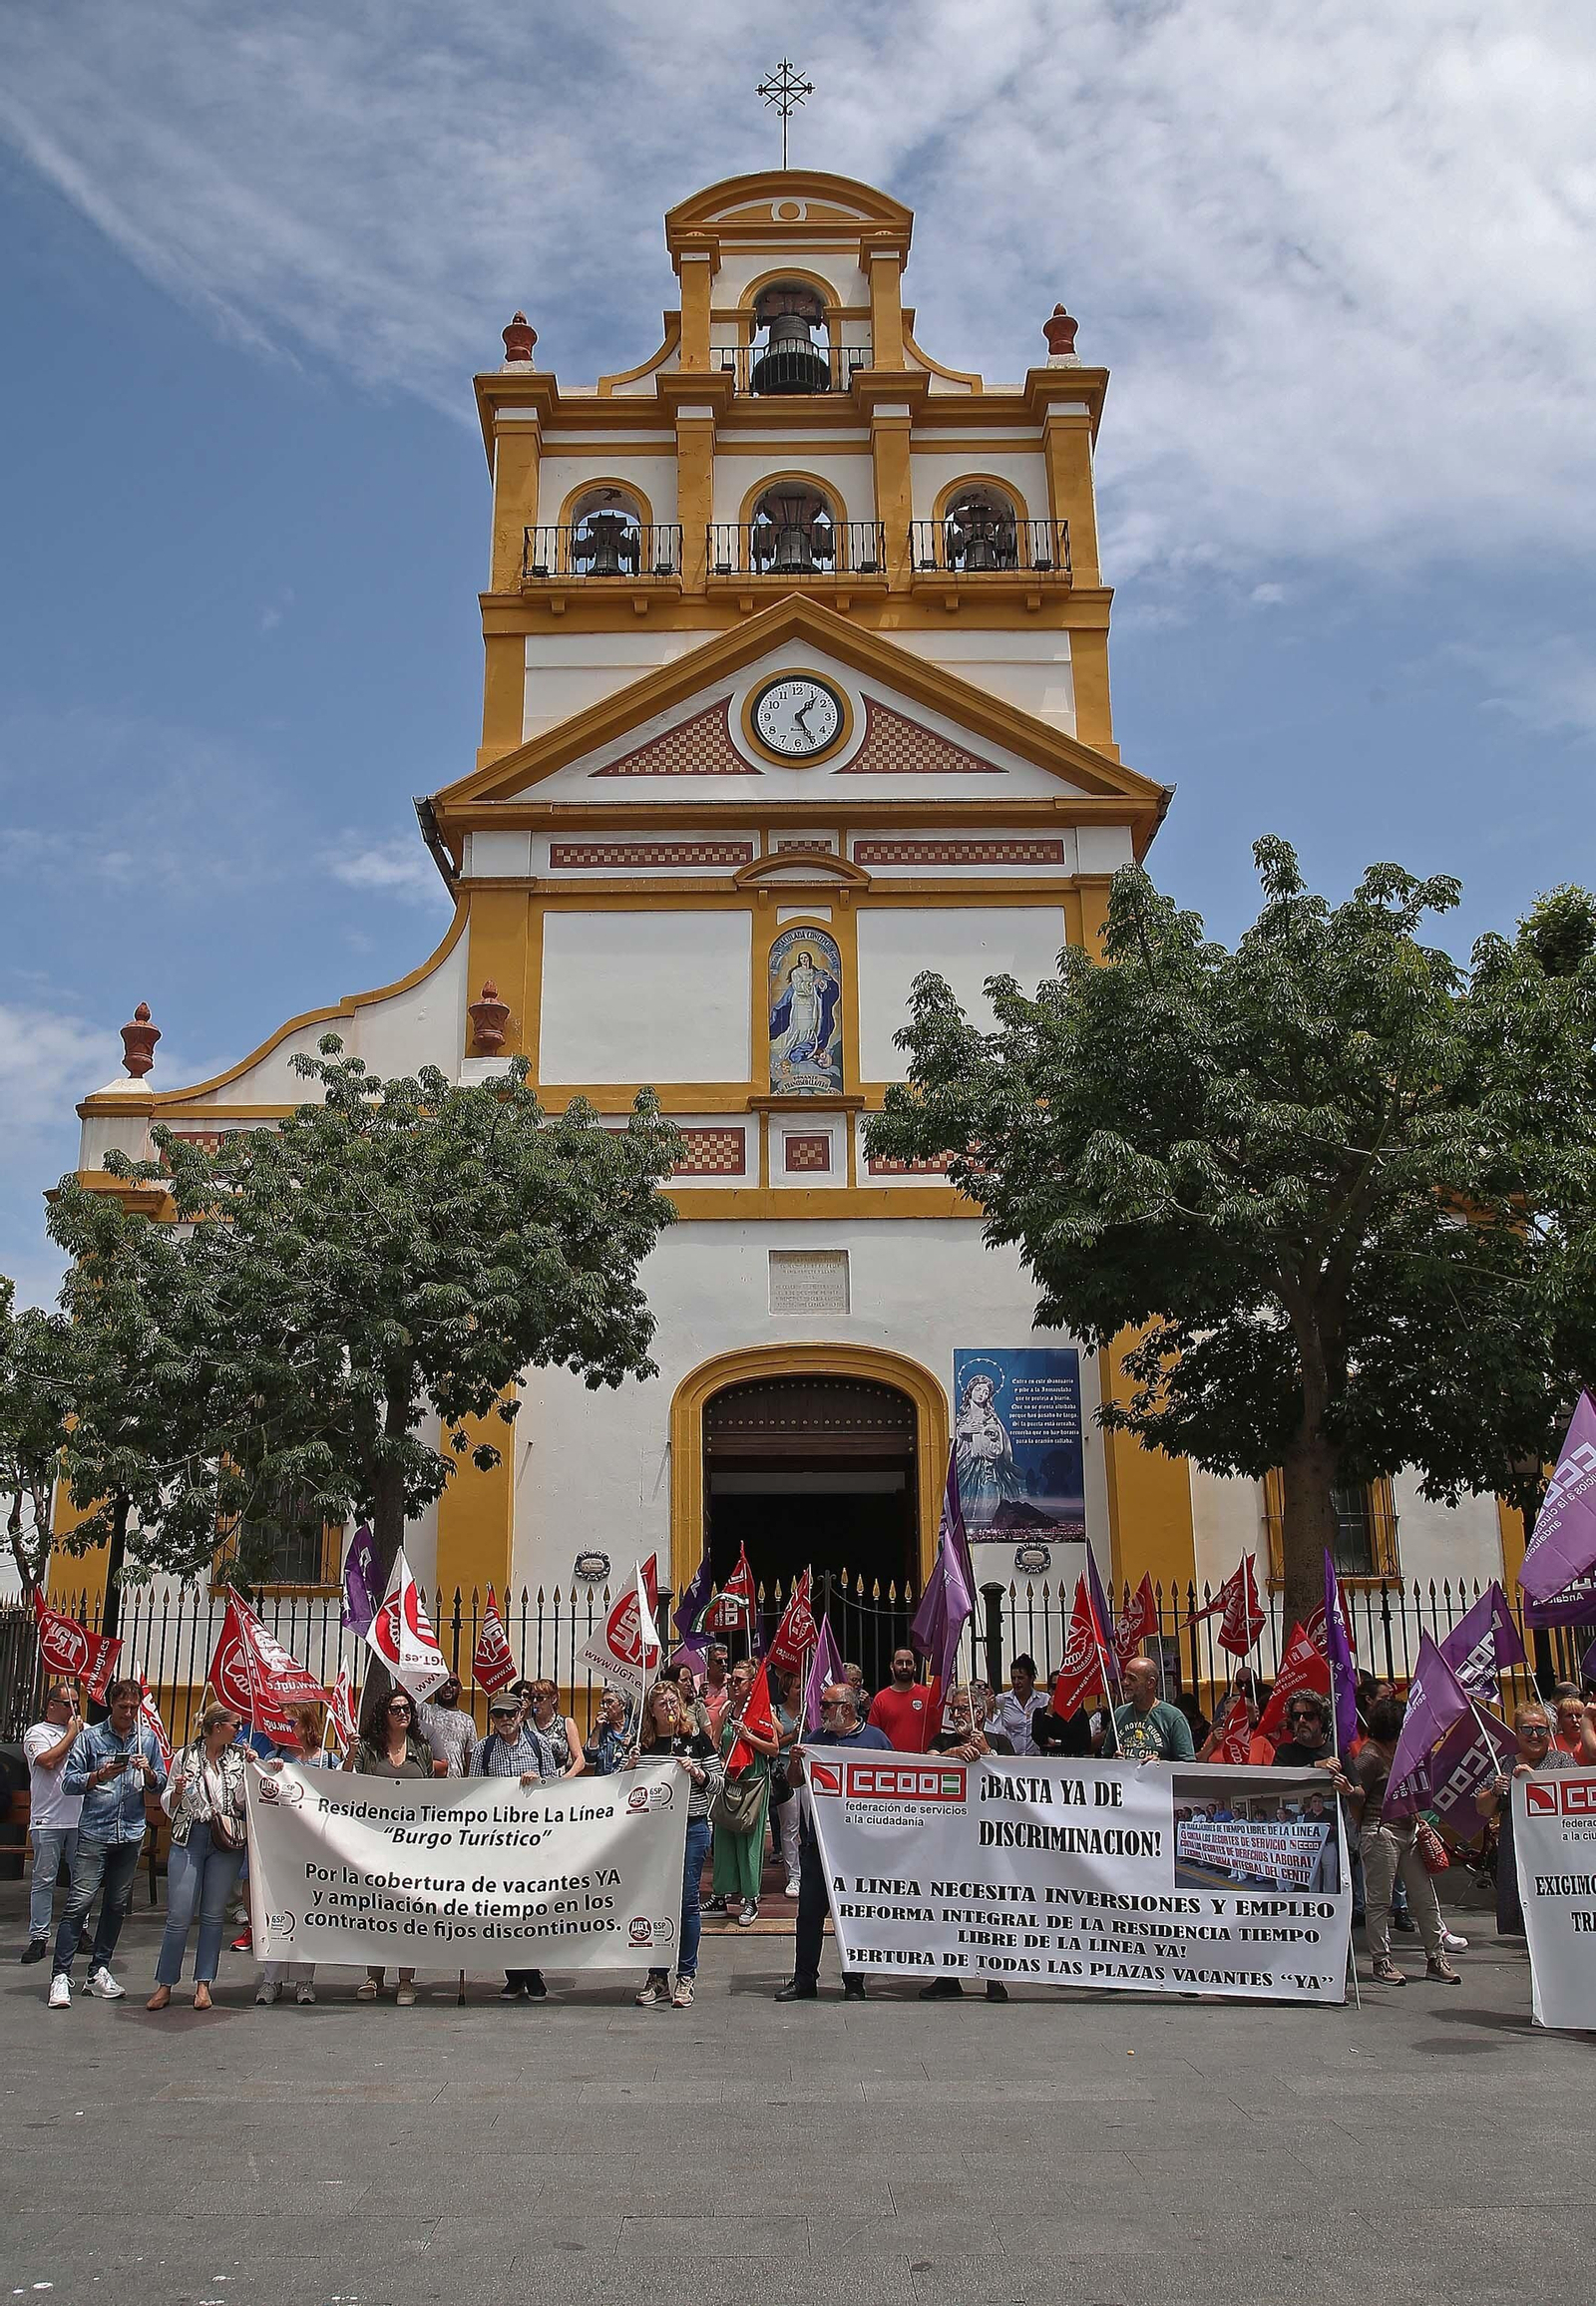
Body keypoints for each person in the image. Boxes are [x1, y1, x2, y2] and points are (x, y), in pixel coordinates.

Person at [48, 1677, 168, 2008]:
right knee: (79, 1902)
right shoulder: (90, 1738)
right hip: (95, 1830)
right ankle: (60, 1975)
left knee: (116, 1905)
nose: (128, 1713)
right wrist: (98, 1776)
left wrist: (149, 1774)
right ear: (111, 1705)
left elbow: (160, 1785)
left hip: (130, 1832)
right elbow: (69, 1784)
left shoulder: (147, 1740)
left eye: (133, 1707)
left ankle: (99, 1969)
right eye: (122, 1707)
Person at [775, 1681, 893, 2003]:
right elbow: (795, 1782)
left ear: (848, 1709)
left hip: (859, 1849)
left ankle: (854, 1980)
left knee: (855, 1915)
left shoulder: (875, 1741)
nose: (821, 1710)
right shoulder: (816, 1739)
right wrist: (797, 1761)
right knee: (809, 1915)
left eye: (827, 1705)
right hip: (819, 1845)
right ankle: (803, 1979)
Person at [623, 1680, 722, 2008]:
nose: (669, 1707)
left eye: (673, 1701)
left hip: (691, 1828)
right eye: (662, 1703)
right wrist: (630, 1766)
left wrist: (697, 1773)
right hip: (653, 1834)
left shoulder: (695, 1739)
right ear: (651, 1711)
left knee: (687, 1902)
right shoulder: (644, 1743)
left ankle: (686, 1976)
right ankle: (656, 1976)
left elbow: (719, 1784)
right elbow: (619, 1790)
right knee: (654, 1904)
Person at [148, 1704, 249, 2012]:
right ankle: (165, 1983)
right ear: (217, 1727)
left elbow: (244, 1801)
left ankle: (204, 1983)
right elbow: (167, 1801)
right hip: (189, 1836)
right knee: (179, 1914)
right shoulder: (185, 1756)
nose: (240, 1729)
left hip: (224, 1839)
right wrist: (177, 1792)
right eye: (235, 1724)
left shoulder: (239, 1758)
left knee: (213, 1914)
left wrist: (256, 1773)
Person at [1353, 1694, 1459, 1985]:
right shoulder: (1370, 1756)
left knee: (1425, 1898)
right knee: (1379, 1902)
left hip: (1408, 1829)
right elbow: (1354, 1791)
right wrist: (1364, 1826)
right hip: (1380, 1831)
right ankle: (1381, 1960)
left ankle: (1436, 1958)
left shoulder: (1401, 1751)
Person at [921, 1685, 1014, 2004]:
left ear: (981, 1714)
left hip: (990, 1843)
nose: (957, 1715)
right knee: (949, 1906)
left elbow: (1016, 1781)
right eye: (954, 1709)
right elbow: (927, 1767)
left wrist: (987, 1752)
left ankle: (994, 1976)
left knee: (990, 1908)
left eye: (964, 1709)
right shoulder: (942, 1740)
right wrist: (953, 1755)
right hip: (951, 1840)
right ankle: (948, 1976)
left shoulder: (1001, 1741)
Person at [349, 1684, 435, 2004]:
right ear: (383, 1714)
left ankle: (406, 1980)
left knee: (408, 1911)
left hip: (413, 1844)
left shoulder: (422, 1748)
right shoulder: (370, 1749)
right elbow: (347, 1784)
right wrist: (351, 1753)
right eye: (395, 1709)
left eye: (406, 1709)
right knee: (377, 1909)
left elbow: (431, 1794)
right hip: (377, 1841)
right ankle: (374, 1976)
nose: (402, 1714)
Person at [1476, 1701, 1591, 1934]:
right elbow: (1483, 1809)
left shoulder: (1562, 1761)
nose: (1535, 1735)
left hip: (1556, 1854)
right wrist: (1496, 1791)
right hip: (1516, 1852)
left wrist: (1532, 1779)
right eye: (1527, 1729)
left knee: (1557, 1917)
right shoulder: (1504, 1764)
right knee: (1522, 1915)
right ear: (1516, 1733)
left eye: (1541, 1729)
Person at [472, 1692, 558, 1998]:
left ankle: (532, 1971)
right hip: (497, 1842)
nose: (505, 1720)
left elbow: (556, 1787)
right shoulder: (483, 1749)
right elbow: (475, 1791)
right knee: (503, 1909)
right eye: (498, 1715)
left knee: (531, 1908)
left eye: (510, 1714)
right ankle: (514, 1974)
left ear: (520, 1715)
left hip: (533, 1841)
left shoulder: (539, 1744)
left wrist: (538, 1782)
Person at [253, 1702, 334, 2004]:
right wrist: (264, 1770)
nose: (283, 1729)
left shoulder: (326, 1759)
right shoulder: (273, 1759)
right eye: (279, 1723)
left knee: (306, 1911)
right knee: (275, 1909)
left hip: (312, 1849)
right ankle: (271, 1979)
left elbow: (343, 1792)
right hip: (279, 1846)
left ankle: (304, 1980)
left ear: (306, 1725)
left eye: (289, 1723)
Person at [711, 1657, 779, 1926]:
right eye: (731, 1679)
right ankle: (720, 1894)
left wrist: (748, 1736)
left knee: (750, 1840)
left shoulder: (762, 1711)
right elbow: (716, 1741)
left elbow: (773, 1748)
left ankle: (751, 1898)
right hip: (729, 1781)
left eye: (739, 1680)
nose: (732, 1683)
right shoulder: (727, 1709)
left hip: (753, 1782)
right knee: (724, 1836)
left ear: (752, 1685)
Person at [21, 1684, 85, 1965]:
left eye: (76, 1703)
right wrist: (71, 1734)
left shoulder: (86, 1731)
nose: (74, 1710)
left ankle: (79, 1931)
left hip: (79, 1817)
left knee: (81, 1879)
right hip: (48, 1818)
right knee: (44, 1879)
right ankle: (39, 1936)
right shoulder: (37, 1733)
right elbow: (46, 1761)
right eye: (67, 1703)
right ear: (51, 1705)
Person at [1112, 1657, 1196, 1761]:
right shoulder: (1119, 1714)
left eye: (1132, 1678)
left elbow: (1187, 1765)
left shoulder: (1173, 1717)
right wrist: (1114, 1760)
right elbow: (1104, 1759)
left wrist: (1160, 1765)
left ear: (1150, 1683)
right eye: (1125, 1677)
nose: (1125, 1683)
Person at [867, 1647, 942, 1753]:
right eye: (900, 1663)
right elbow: (873, 1735)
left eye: (909, 1663)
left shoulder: (929, 1696)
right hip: (892, 1763)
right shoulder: (880, 1699)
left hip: (925, 1763)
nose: (904, 1667)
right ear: (891, 1666)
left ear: (915, 1667)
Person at [772, 1667, 805, 1895]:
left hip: (809, 1776)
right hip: (785, 1775)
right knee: (790, 1827)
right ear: (786, 1690)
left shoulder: (812, 1710)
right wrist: (792, 1736)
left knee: (811, 1826)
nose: (801, 1691)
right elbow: (774, 1746)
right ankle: (794, 1876)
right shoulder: (776, 1711)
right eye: (797, 1687)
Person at [416, 1674, 477, 1777]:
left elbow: (470, 1758)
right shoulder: (424, 1710)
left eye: (453, 1683)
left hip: (455, 1784)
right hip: (428, 1781)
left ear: (460, 1689)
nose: (448, 1685)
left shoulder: (468, 1721)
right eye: (442, 1682)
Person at [525, 1678, 587, 1776]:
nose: (535, 1702)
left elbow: (579, 1759)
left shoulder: (566, 1723)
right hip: (533, 1781)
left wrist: (566, 1778)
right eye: (532, 1698)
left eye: (540, 1698)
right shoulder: (524, 1726)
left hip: (559, 1780)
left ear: (553, 1699)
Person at [993, 1656, 1047, 1755]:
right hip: (1012, 1758)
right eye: (1013, 1678)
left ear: (1031, 1678)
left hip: (1037, 1758)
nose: (1016, 1682)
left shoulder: (1044, 1700)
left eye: (1021, 1678)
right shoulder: (1002, 1700)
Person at [584, 1686, 632, 1775]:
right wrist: (597, 1728)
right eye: (603, 1703)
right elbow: (589, 1757)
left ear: (622, 1705)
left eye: (610, 1702)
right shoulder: (602, 1729)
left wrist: (632, 1743)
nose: (605, 1707)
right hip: (605, 1781)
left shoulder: (633, 1728)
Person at [1549, 1683, 1596, 1762]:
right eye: (1569, 1716)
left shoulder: (1592, 1739)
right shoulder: (1551, 1742)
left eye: (1578, 1716)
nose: (1574, 1720)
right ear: (1559, 1720)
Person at [699, 1644, 733, 1739]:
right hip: (704, 1739)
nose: (723, 1664)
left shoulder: (733, 1682)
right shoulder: (697, 1682)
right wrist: (698, 1697)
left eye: (726, 1660)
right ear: (708, 1663)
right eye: (719, 1661)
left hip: (727, 1739)